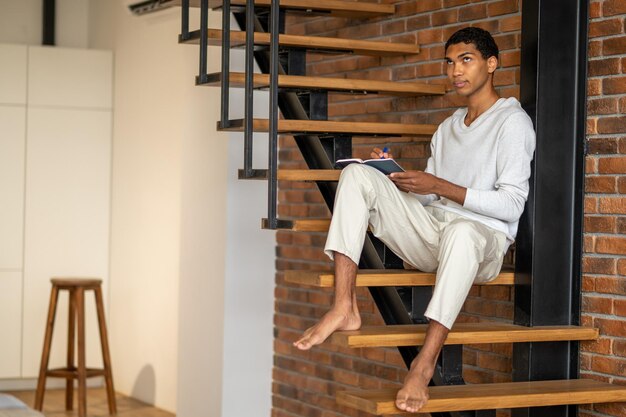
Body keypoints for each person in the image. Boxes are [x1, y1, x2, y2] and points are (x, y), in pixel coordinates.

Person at [293, 27, 536, 412]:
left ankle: (423, 364)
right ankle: (344, 306)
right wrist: (396, 179)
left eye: (466, 60)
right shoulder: (447, 128)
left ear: (492, 64)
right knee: (358, 174)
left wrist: (437, 182)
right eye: (450, 62)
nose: (456, 70)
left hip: (483, 243)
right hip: (436, 232)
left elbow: (511, 205)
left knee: (462, 231)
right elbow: (432, 197)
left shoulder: (512, 122)